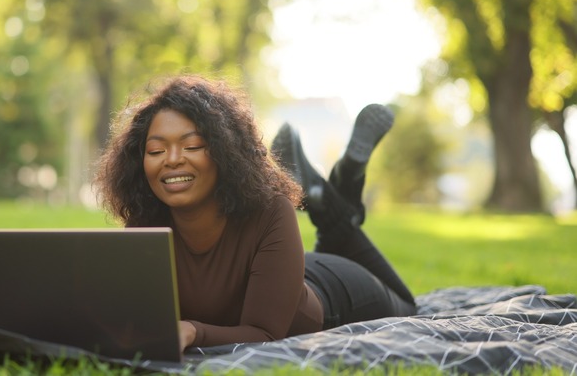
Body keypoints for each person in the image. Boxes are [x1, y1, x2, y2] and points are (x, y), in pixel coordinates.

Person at [92, 74, 417, 352]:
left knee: (408, 305)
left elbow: (265, 334)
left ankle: (338, 190)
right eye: (156, 151)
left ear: (224, 152)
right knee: (332, 234)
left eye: (191, 146)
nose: (172, 159)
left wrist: (193, 331)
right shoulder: (145, 224)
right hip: (280, 270)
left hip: (332, 291)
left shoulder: (271, 210)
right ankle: (334, 191)